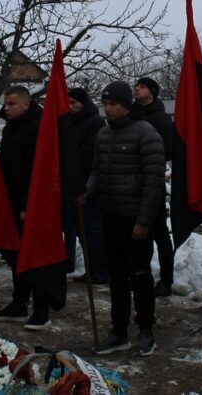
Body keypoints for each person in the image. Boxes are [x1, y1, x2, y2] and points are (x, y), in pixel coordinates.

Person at [87, 81, 164, 357]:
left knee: (140, 275)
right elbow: (97, 170)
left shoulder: (146, 133)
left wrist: (144, 221)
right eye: (105, 104)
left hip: (135, 219)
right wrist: (87, 192)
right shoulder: (103, 134)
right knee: (117, 277)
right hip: (110, 215)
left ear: (126, 105)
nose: (108, 109)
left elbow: (154, 182)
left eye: (113, 104)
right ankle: (119, 330)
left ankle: (146, 328)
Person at [0, 86, 53, 328]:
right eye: (5, 104)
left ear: (26, 104)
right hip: (12, 203)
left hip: (33, 206)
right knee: (17, 258)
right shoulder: (11, 129)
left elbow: (38, 172)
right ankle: (19, 303)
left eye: (12, 104)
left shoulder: (38, 129)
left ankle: (41, 309)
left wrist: (28, 205)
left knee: (36, 259)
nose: (6, 108)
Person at [132, 77, 175, 297]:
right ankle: (141, 275)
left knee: (159, 232)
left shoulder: (161, 119)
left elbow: (169, 149)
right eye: (136, 86)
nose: (137, 89)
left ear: (152, 92)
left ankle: (166, 279)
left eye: (142, 86)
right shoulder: (132, 115)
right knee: (139, 235)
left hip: (153, 182)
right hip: (132, 184)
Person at [61, 87, 108, 283]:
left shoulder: (95, 122)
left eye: (74, 103)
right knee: (80, 229)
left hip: (89, 185)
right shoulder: (70, 122)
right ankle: (91, 269)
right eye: (68, 102)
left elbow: (90, 155)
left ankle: (100, 271)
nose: (71, 106)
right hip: (72, 184)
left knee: (92, 230)